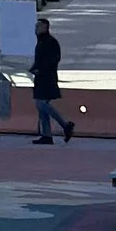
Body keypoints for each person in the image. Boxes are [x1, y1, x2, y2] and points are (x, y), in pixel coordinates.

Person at [30, 14, 66, 144]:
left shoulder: (50, 42)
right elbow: (39, 60)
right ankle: (47, 135)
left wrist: (40, 69)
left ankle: (65, 125)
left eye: (38, 26)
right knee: (41, 106)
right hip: (41, 77)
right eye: (36, 26)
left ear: (45, 28)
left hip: (47, 78)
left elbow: (53, 59)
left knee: (42, 104)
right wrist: (34, 68)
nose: (36, 28)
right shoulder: (41, 42)